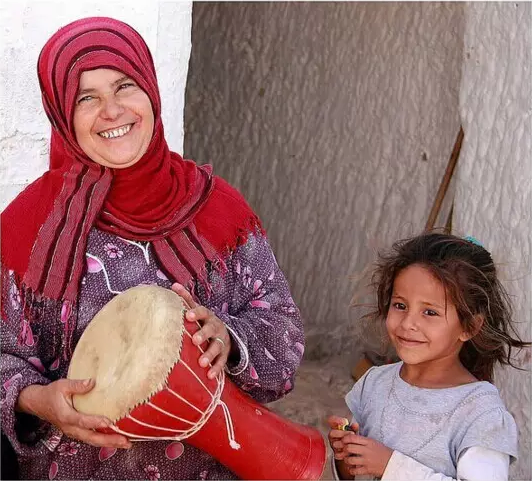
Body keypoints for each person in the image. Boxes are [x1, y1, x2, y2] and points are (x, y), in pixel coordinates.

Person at [0, 16, 305, 480]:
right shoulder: (24, 228)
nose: (112, 110)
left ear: (150, 89)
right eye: (86, 97)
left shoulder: (217, 208)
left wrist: (229, 339)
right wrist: (37, 399)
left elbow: (283, 332)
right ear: (61, 112)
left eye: (125, 86)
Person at [327, 233, 529, 480]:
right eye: (400, 305)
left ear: (470, 327)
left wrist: (390, 466)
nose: (408, 323)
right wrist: (347, 459)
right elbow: (357, 474)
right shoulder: (374, 383)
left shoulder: (480, 414)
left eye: (430, 312)